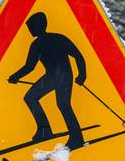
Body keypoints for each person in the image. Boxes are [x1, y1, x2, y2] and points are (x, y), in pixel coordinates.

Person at [7, 13, 87, 150]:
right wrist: (81, 75)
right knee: (35, 99)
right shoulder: (56, 39)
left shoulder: (39, 43)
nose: (29, 30)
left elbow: (29, 67)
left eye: (30, 27)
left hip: (59, 77)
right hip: (57, 76)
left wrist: (15, 77)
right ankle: (45, 130)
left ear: (37, 27)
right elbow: (78, 57)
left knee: (60, 104)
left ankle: (75, 138)